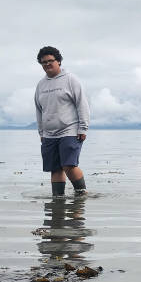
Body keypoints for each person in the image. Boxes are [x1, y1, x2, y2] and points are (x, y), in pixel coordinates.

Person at [35, 46, 90, 197]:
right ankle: (57, 201)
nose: (47, 64)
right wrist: (41, 132)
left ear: (58, 61)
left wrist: (83, 128)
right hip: (49, 134)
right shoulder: (41, 85)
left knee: (68, 165)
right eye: (43, 62)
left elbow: (82, 103)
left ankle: (81, 195)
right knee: (55, 168)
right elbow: (39, 110)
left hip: (70, 130)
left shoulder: (70, 79)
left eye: (50, 61)